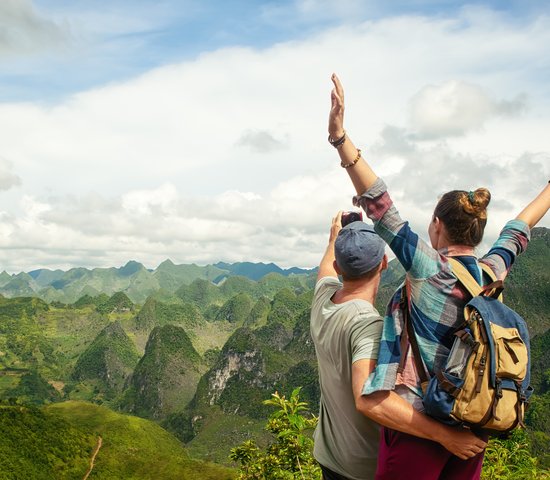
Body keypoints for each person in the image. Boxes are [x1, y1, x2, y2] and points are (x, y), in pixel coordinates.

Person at [327, 72, 550, 480]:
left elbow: (379, 205)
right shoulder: (491, 271)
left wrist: (341, 140)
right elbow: (519, 229)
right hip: (472, 422)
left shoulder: (429, 269)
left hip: (419, 424)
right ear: (478, 232)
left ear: (436, 226)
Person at [311, 213, 487, 480]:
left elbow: (325, 268)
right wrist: (445, 436)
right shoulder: (369, 327)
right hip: (363, 467)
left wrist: (335, 237)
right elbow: (369, 401)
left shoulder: (323, 299)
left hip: (328, 456)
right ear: (383, 263)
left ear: (338, 267)